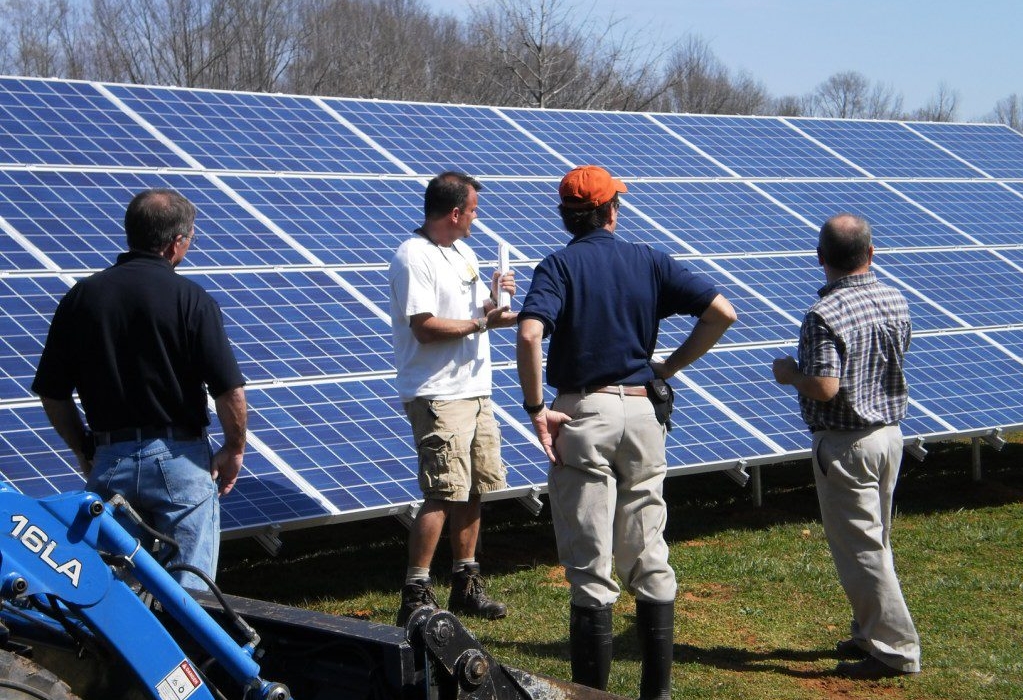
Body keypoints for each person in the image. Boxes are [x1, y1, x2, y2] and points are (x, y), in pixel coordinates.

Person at [516, 165, 737, 699]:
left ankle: (594, 695)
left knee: (591, 564)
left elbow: (528, 333)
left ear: (568, 218)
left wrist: (535, 408)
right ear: (611, 210)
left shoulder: (558, 267)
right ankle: (655, 695)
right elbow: (721, 313)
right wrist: (667, 368)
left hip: (582, 415)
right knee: (648, 553)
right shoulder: (648, 260)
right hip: (641, 414)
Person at [32, 188, 247, 592]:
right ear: (175, 244)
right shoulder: (192, 300)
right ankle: (183, 652)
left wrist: (85, 449)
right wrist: (234, 448)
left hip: (109, 459)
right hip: (181, 459)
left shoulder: (81, 298)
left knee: (112, 594)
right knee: (190, 596)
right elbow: (228, 390)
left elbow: (52, 393)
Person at [772, 213, 920, 680]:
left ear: (820, 259)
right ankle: (867, 630)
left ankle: (895, 650)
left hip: (846, 446)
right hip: (888, 437)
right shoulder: (895, 298)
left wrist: (789, 374)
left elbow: (824, 387)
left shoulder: (824, 314)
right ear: (870, 254)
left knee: (861, 550)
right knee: (877, 541)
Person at [388, 171, 517, 626]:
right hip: (438, 393)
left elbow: (479, 314)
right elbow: (424, 327)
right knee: (442, 491)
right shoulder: (413, 256)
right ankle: (416, 590)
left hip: (475, 389)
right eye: (474, 210)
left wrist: (499, 304)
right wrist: (481, 323)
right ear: (455, 212)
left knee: (475, 488)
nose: (477, 219)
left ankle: (466, 582)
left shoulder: (463, 253)